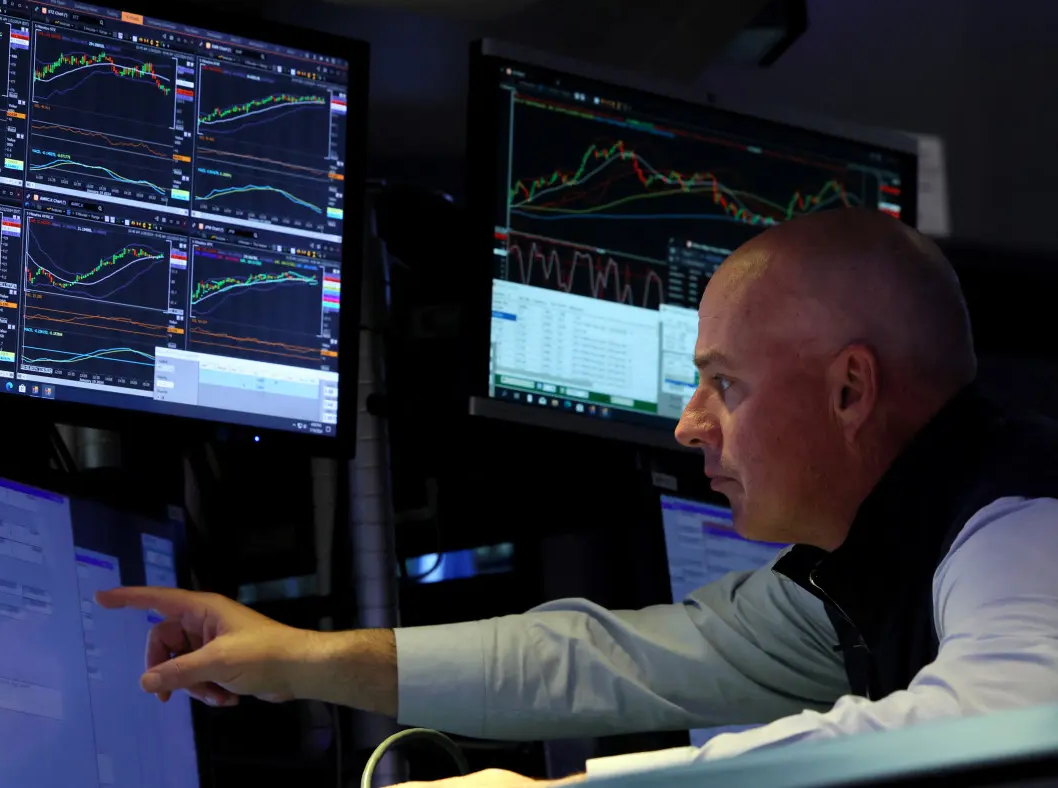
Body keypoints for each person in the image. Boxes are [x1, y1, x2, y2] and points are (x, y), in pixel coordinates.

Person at [96, 208, 1058, 787]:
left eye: (725, 383)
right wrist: (300, 658)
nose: (688, 426)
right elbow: (602, 659)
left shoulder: (1021, 523)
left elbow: (989, 725)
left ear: (850, 390)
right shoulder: (876, 563)